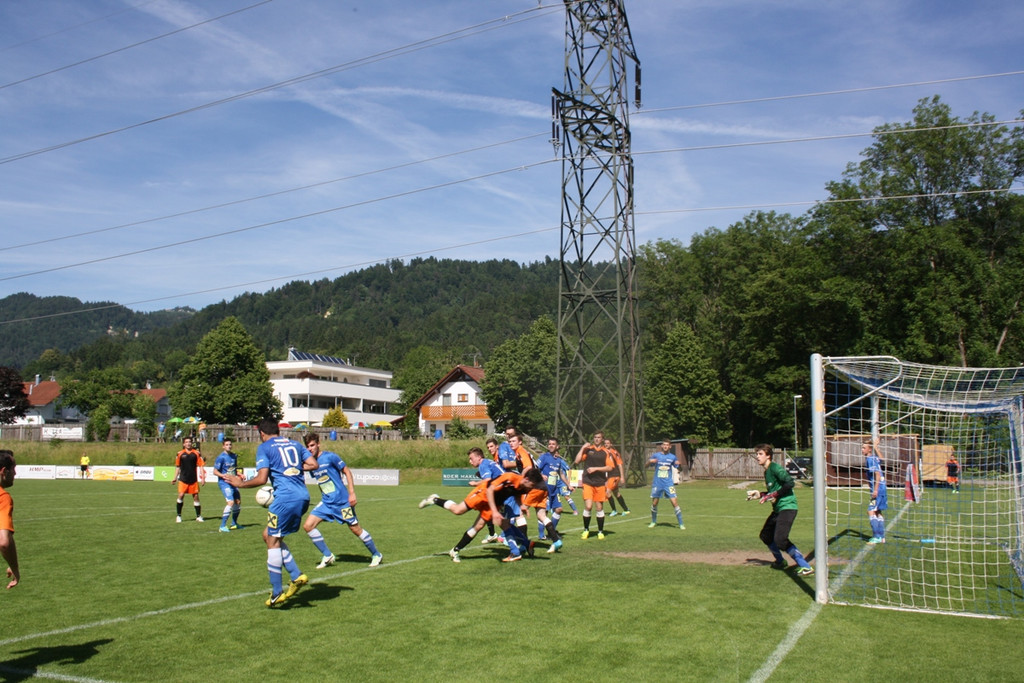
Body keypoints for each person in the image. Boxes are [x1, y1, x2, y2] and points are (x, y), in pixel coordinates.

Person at [223, 419, 318, 608]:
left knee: (272, 541)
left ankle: (276, 592)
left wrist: (240, 483)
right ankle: (296, 575)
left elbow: (261, 478)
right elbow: (313, 464)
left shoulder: (265, 447)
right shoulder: (295, 444)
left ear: (262, 434)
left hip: (284, 499)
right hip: (303, 497)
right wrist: (294, 469)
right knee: (269, 535)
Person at [418, 469, 544, 563]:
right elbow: (490, 490)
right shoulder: (509, 477)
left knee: (481, 526)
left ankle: (455, 551)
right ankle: (435, 500)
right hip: (483, 494)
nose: (531, 489)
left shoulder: (524, 487)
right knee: (458, 510)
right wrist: (495, 511)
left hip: (495, 502)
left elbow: (517, 494)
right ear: (526, 480)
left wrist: (521, 505)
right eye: (532, 486)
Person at [302, 433, 383, 568]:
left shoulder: (330, 457)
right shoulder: (311, 464)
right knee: (308, 526)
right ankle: (327, 555)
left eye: (312, 445)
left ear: (318, 444)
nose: (310, 449)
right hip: (327, 503)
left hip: (342, 503)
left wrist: (352, 493)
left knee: (355, 529)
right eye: (308, 447)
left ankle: (376, 554)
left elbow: (347, 471)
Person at [750, 443, 813, 576]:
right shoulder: (767, 472)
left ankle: (805, 566)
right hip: (778, 509)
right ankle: (780, 561)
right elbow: (774, 492)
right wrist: (760, 495)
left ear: (768, 456)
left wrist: (773, 495)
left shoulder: (775, 468)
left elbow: (789, 483)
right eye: (757, 454)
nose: (757, 457)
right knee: (765, 536)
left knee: (780, 540)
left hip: (788, 507)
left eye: (760, 454)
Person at [574, 431, 614, 539]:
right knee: (588, 506)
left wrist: (596, 468)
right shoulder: (588, 449)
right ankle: (586, 530)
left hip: (600, 483)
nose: (596, 439)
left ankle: (600, 531)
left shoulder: (606, 452)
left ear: (602, 439)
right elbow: (577, 461)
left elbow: (610, 467)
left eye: (599, 437)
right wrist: (582, 448)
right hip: (587, 482)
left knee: (599, 507)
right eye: (595, 437)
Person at [536, 437, 572, 553]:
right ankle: (542, 535)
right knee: (544, 512)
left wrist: (568, 485)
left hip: (554, 490)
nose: (551, 445)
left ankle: (551, 532)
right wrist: (541, 475)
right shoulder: (544, 457)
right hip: (545, 489)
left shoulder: (558, 460)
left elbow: (561, 474)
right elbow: (535, 468)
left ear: (557, 447)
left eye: (553, 444)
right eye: (549, 444)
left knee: (559, 509)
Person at [647, 440, 685, 529]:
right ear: (661, 446)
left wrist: (679, 465)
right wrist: (649, 461)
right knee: (655, 503)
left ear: (670, 447)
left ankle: (681, 524)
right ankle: (653, 521)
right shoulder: (656, 456)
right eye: (664, 445)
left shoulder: (672, 457)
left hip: (668, 484)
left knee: (674, 502)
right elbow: (646, 466)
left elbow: (680, 469)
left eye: (667, 445)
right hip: (657, 483)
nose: (665, 446)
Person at [475, 441, 505, 544]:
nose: (489, 449)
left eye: (491, 446)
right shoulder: (492, 460)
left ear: (497, 446)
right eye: (488, 447)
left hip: (506, 487)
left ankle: (512, 539)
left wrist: (476, 483)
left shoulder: (501, 456)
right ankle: (494, 535)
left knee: (512, 516)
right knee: (488, 510)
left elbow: (488, 479)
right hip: (503, 487)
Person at [0, 450, 20, 589]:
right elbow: (4, 542)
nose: (15, 474)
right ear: (4, 471)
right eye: (13, 469)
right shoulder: (3, 498)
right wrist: (15, 568)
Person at [212, 438, 242, 532]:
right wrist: (222, 475)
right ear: (223, 446)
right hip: (224, 483)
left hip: (233, 482)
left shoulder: (234, 456)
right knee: (230, 502)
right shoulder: (221, 457)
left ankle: (234, 523)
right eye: (227, 444)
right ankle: (222, 526)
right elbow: (215, 471)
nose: (229, 446)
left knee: (237, 502)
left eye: (230, 444)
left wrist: (240, 475)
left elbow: (234, 469)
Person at [173, 437, 205, 523]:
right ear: (183, 444)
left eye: (190, 442)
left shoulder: (196, 453)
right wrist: (174, 478)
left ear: (192, 443)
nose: (188, 443)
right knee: (181, 495)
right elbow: (177, 466)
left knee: (196, 497)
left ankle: (198, 516)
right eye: (186, 442)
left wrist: (203, 477)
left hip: (193, 479)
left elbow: (201, 465)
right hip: (183, 479)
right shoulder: (180, 454)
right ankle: (178, 516)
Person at [863, 440, 888, 544]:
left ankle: (876, 536)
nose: (862, 449)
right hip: (883, 487)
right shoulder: (874, 458)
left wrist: (875, 489)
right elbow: (882, 459)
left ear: (869, 449)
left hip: (878, 488)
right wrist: (876, 447)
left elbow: (877, 474)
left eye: (864, 447)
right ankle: (882, 537)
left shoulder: (870, 459)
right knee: (878, 511)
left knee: (871, 510)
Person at [603, 438, 630, 516]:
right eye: (605, 443)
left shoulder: (615, 453)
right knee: (616, 493)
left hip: (615, 475)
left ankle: (614, 510)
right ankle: (626, 509)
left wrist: (622, 477)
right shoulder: (604, 451)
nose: (606, 444)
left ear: (611, 444)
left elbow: (620, 465)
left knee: (607, 492)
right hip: (610, 475)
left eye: (608, 443)